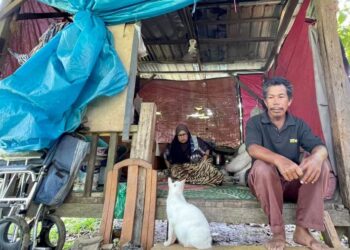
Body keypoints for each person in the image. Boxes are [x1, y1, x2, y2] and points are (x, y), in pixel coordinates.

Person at [245, 77, 331, 250]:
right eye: (271, 97)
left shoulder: (298, 125)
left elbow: (320, 147)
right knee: (261, 167)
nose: (276, 102)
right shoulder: (255, 122)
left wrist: (316, 158)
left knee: (320, 164)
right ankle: (278, 233)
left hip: (291, 183)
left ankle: (302, 231)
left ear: (290, 100)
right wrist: (279, 160)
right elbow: (252, 148)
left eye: (281, 96)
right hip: (265, 184)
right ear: (265, 101)